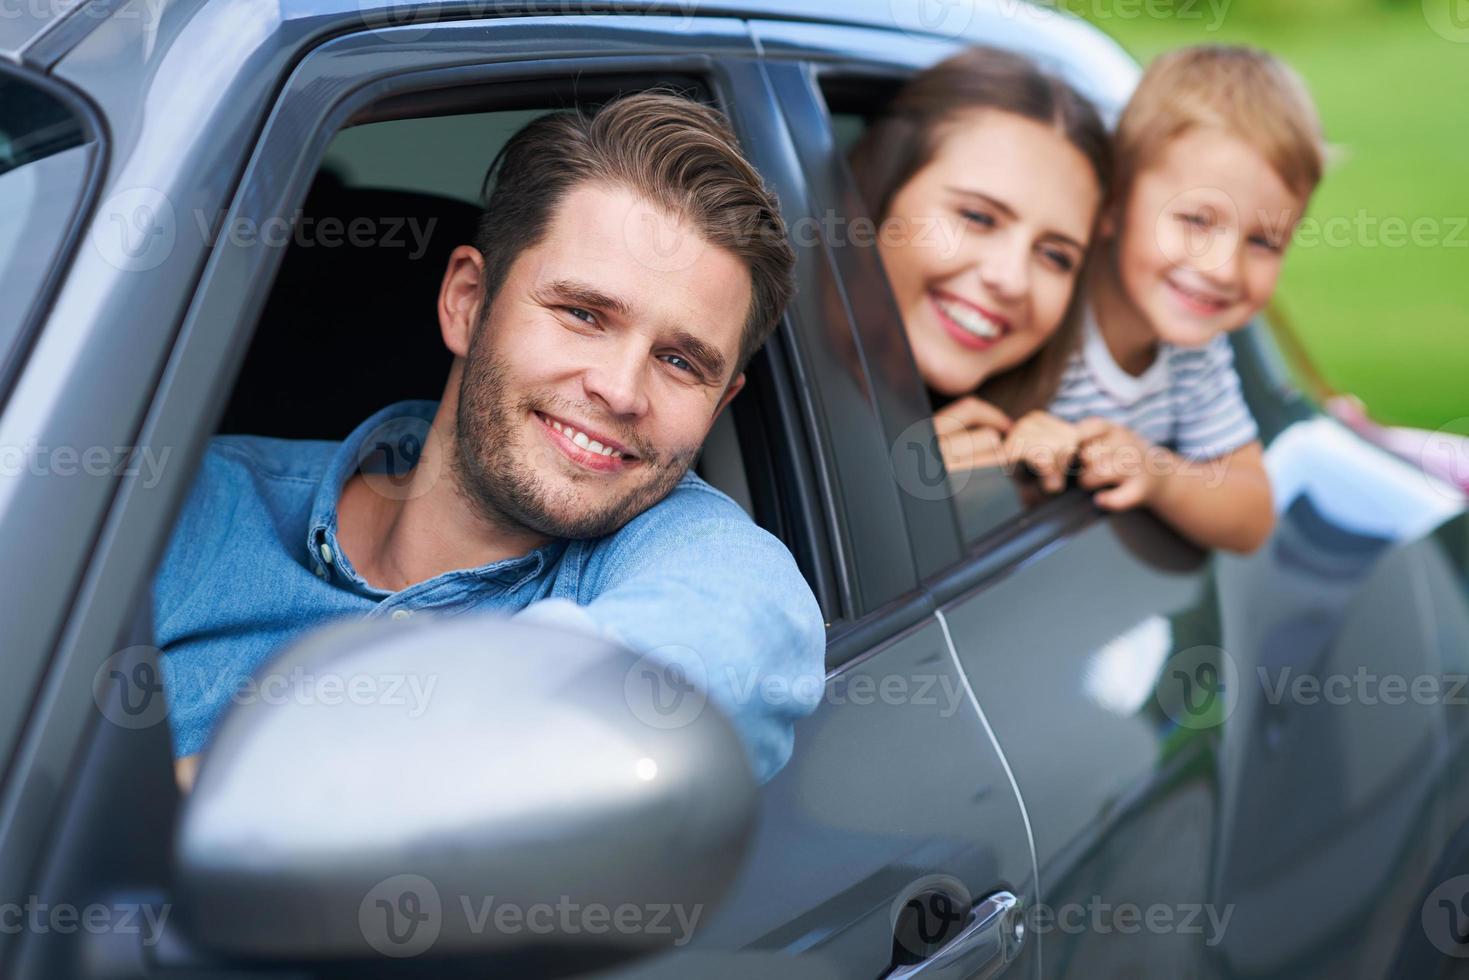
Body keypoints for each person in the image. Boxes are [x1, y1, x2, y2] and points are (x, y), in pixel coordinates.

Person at [154, 92, 826, 788]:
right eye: (582, 314)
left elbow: (741, 631)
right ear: (467, 303)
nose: (622, 392)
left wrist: (225, 790)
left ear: (719, 406)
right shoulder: (191, 506)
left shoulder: (686, 557)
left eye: (680, 362)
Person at [1017, 46, 1326, 553]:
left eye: (1263, 242)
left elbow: (1251, 513)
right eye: (1196, 221)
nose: (1223, 269)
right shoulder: (1042, 310)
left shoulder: (1194, 358)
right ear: (1113, 201)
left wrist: (1158, 474)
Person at [846, 46, 1112, 473]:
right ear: (870, 201)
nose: (1012, 279)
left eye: (1055, 256)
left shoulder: (1043, 436)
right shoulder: (721, 393)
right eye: (977, 217)